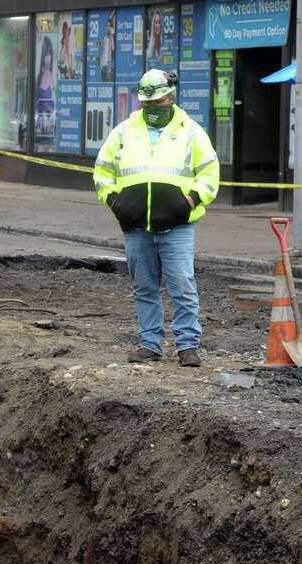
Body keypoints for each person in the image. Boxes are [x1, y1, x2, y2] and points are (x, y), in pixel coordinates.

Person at [93, 69, 219, 367]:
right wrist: (115, 202)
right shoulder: (124, 131)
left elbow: (210, 173)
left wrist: (190, 201)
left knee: (182, 286)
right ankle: (150, 345)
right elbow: (102, 171)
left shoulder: (190, 130)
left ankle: (188, 346)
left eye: (158, 100)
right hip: (136, 225)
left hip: (177, 225)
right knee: (144, 287)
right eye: (147, 102)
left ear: (171, 97)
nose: (152, 106)